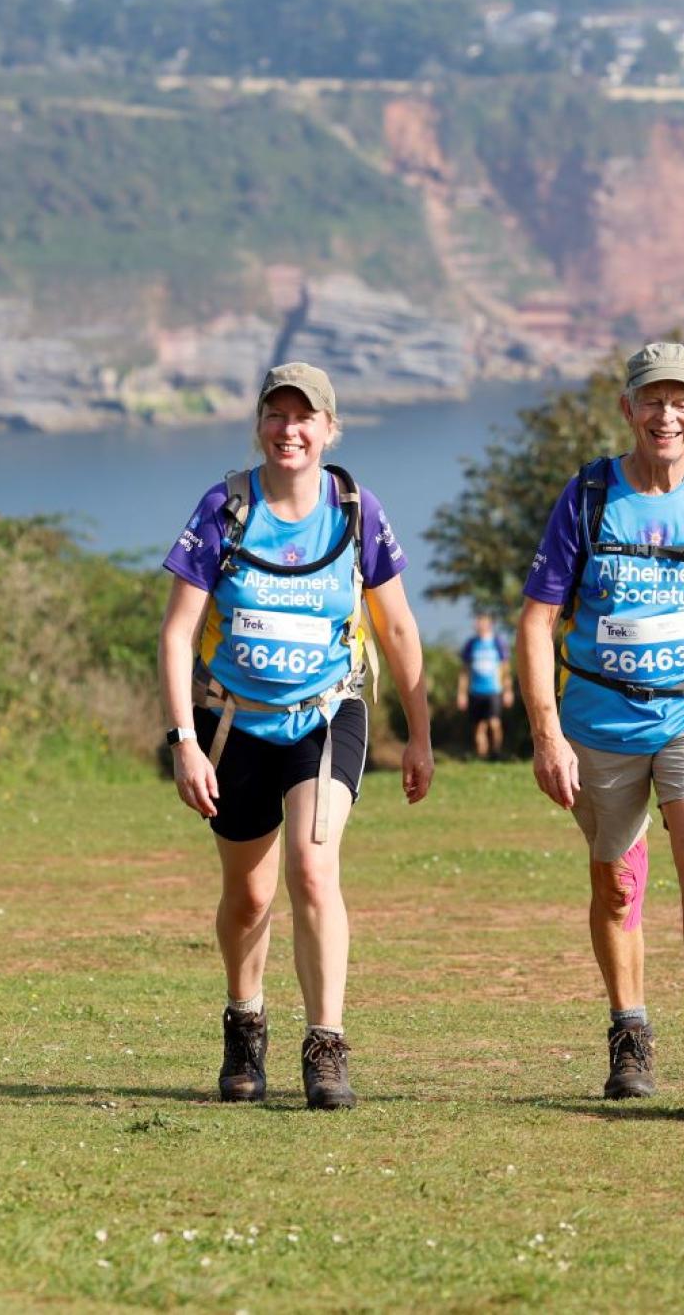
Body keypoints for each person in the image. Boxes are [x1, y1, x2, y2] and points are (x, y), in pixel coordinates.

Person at [515, 341, 684, 1113]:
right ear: (627, 409)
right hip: (598, 722)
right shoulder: (589, 496)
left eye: (682, 401)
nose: (665, 415)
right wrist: (546, 734)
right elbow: (536, 623)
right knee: (616, 888)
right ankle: (629, 1033)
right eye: (651, 400)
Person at [157, 361, 434, 1111]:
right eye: (277, 416)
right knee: (248, 896)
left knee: (313, 870)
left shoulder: (355, 510)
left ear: (329, 429)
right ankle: (245, 1023)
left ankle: (327, 1045)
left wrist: (420, 732)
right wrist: (185, 738)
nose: (291, 430)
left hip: (325, 714)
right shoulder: (225, 508)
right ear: (260, 425)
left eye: (305, 417)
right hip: (233, 726)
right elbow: (179, 633)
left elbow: (398, 625)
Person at [455, 612, 514, 759]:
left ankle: (496, 752)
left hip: (494, 690)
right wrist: (461, 693)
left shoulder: (498, 643)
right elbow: (464, 672)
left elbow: (505, 669)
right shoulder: (471, 644)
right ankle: (482, 756)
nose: (478, 624)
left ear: (489, 624)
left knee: (494, 723)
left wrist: (508, 691)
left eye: (481, 621)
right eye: (477, 621)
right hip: (476, 691)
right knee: (479, 726)